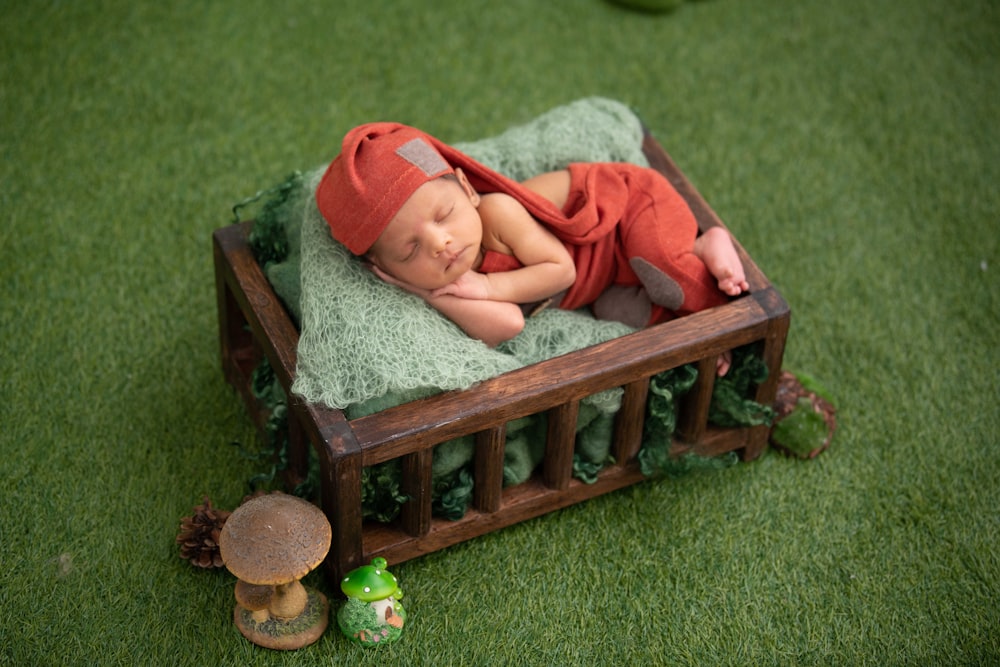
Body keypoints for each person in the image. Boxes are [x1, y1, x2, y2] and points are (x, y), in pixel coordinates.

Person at [315, 122, 748, 372]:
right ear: (386, 269)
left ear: (466, 189)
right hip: (609, 276)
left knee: (666, 274)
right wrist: (424, 290)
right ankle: (692, 320)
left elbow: (562, 272)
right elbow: (507, 325)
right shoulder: (438, 273)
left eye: (443, 216)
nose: (439, 244)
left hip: (627, 212)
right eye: (409, 252)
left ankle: (710, 271)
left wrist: (485, 288)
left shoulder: (497, 214)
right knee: (625, 314)